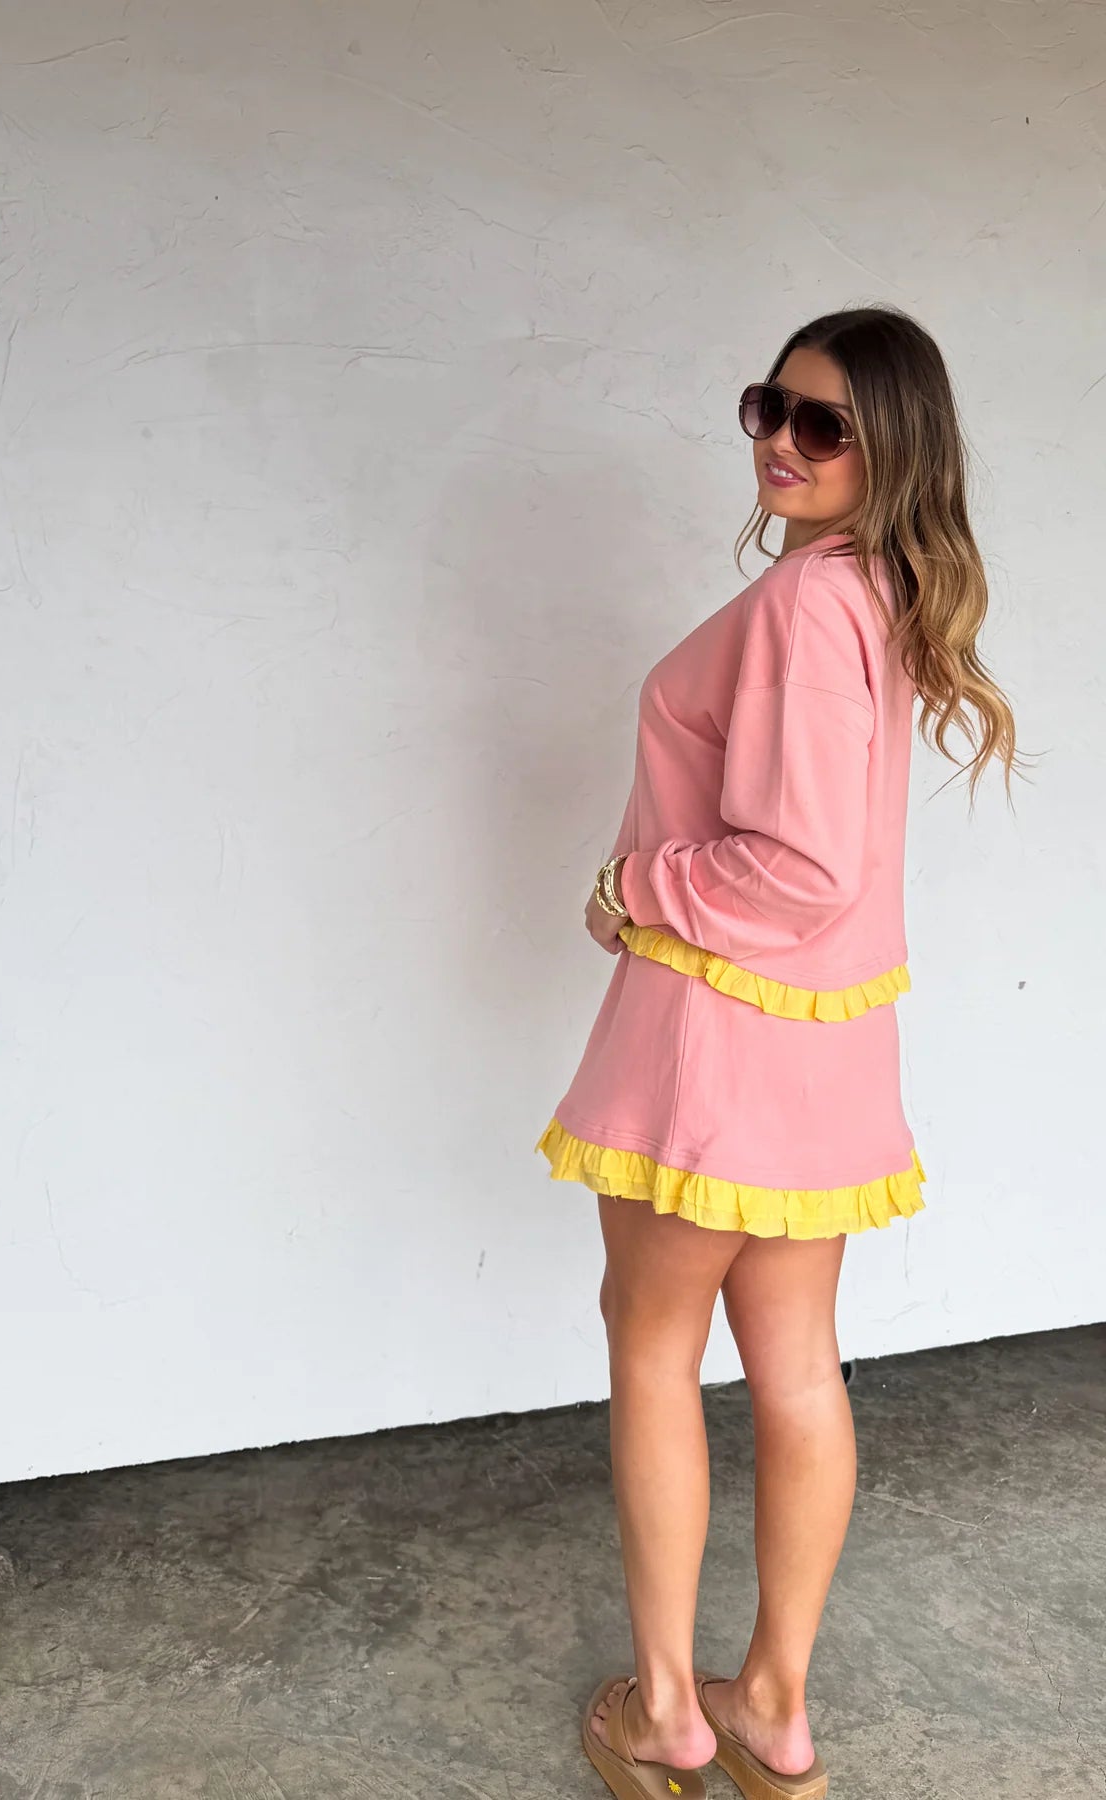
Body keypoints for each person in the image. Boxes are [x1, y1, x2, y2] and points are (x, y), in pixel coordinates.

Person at [535, 305, 1019, 1800]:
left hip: (717, 1033)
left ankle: (671, 1715)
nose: (782, 444)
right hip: (826, 1051)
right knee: (799, 1367)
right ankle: (774, 1710)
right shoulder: (878, 595)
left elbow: (798, 867)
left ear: (893, 450)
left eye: (823, 425)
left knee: (653, 1349)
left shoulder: (811, 604)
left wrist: (633, 887)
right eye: (769, 407)